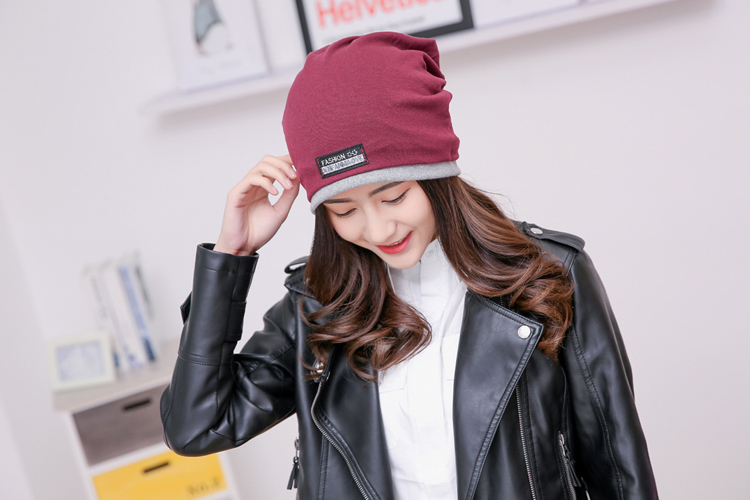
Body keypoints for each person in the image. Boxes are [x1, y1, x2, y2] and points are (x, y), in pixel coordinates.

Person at [160, 32, 658, 500]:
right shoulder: (317, 307)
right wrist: (231, 254)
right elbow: (197, 427)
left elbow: (617, 466)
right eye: (344, 211)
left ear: (436, 174)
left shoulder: (548, 275)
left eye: (393, 196)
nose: (378, 231)